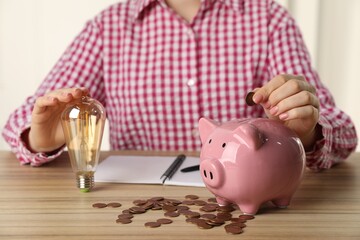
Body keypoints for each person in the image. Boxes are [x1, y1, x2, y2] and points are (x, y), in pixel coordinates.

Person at [2, 0, 358, 170]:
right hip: (135, 213)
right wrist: (40, 138)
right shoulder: (107, 28)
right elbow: (19, 122)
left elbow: (343, 132)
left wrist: (308, 131)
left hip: (247, 211)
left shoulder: (269, 20)